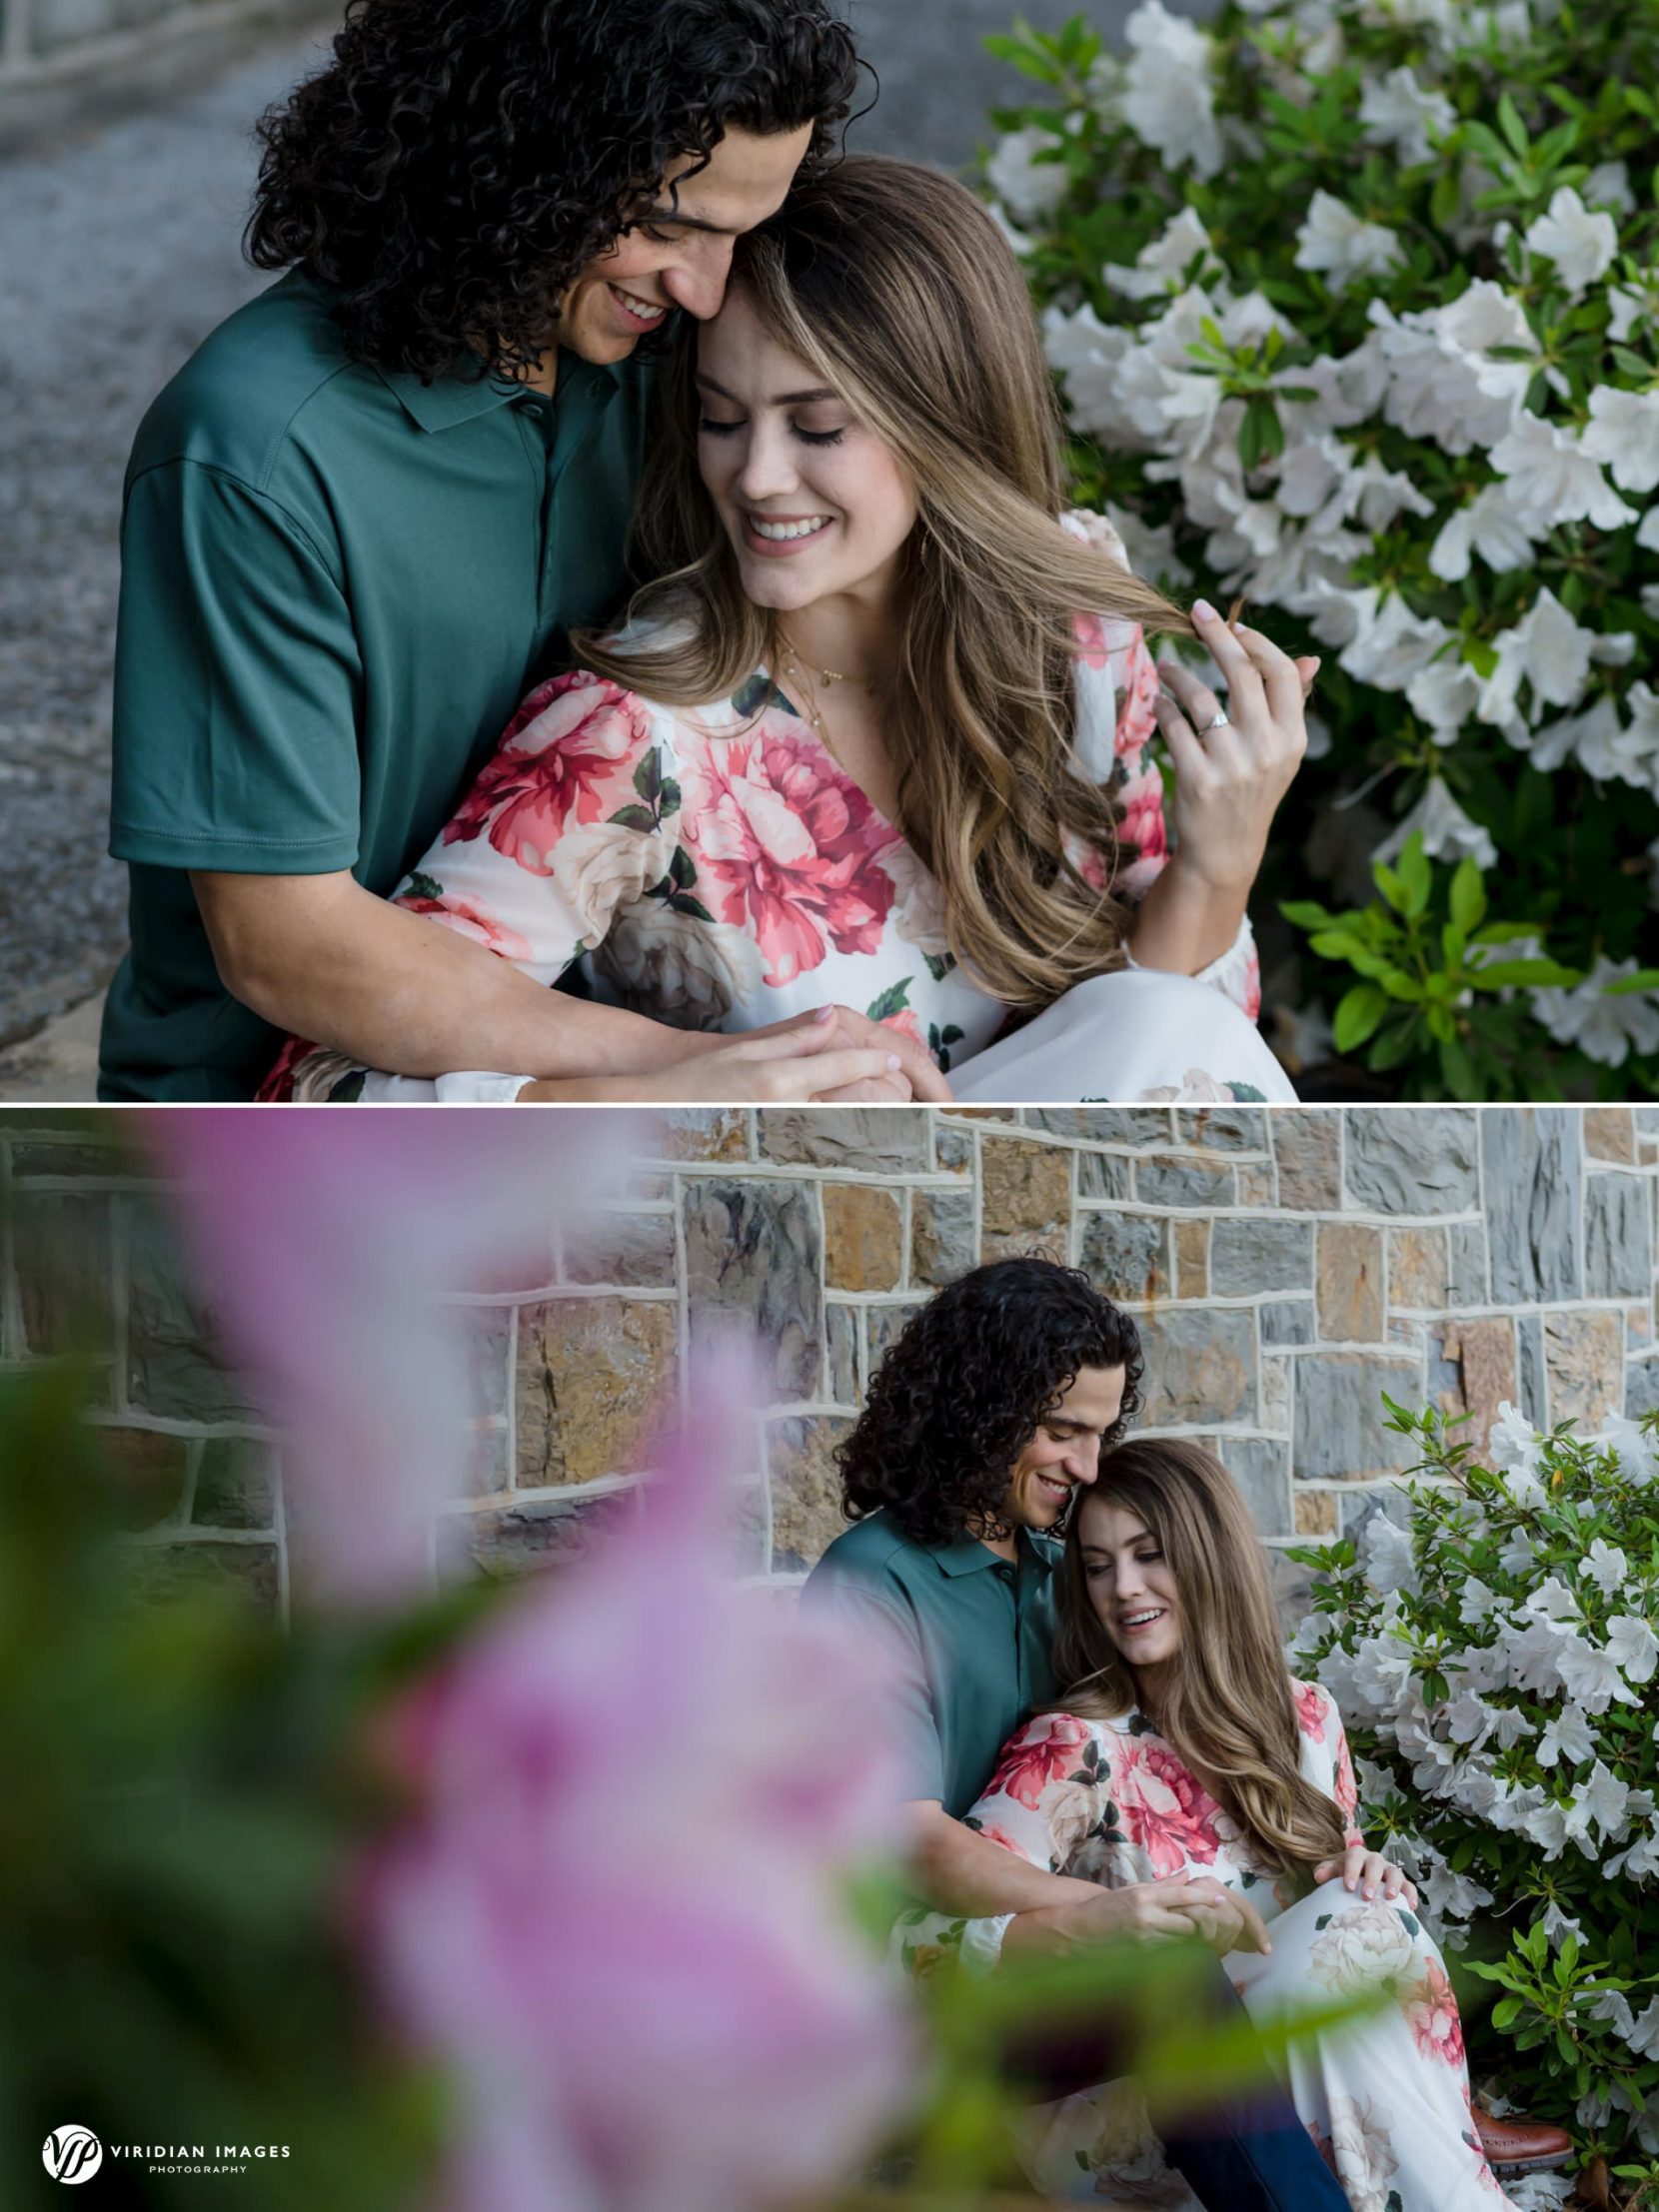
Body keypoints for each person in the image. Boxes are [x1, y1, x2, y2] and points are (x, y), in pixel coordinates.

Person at [264, 157, 1313, 1106]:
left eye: (816, 427)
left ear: (947, 425)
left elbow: (1136, 1052)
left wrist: (1216, 871)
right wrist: (688, 1094)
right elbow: (326, 1090)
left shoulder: (1075, 639)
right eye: (723, 419)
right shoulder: (637, 733)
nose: (756, 477)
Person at [98, 0, 924, 1104]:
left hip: (607, 1051)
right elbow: (282, 941)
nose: (708, 290)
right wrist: (702, 1072)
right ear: (518, 155)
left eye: (741, 235)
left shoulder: (673, 362)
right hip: (284, 1110)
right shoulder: (254, 451)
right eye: (666, 224)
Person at [802, 1259, 1354, 2212]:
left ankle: (1427, 2133)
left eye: (1100, 1434)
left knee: (1325, 1942)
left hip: (1066, 1964)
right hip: (919, 1991)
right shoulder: (869, 1583)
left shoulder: (1068, 1568)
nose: (1089, 1467)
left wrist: (1343, 1851)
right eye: (1063, 1432)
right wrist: (1098, 1916)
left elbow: (1177, 1735)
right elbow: (909, 1838)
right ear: (978, 1410)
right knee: (1174, 1979)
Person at [896, 1437, 1571, 2206]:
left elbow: (1331, 1906)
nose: (1122, 1589)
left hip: (1298, 2081)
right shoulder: (1077, 1748)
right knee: (1351, 1930)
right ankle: (1454, 2148)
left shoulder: (1306, 1719)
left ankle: (1439, 2140)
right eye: (1096, 1565)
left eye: (1150, 1555)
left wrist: (1364, 1871)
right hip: (1142, 2106)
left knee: (1366, 1908)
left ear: (1210, 1555)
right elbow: (928, 1941)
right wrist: (1093, 1921)